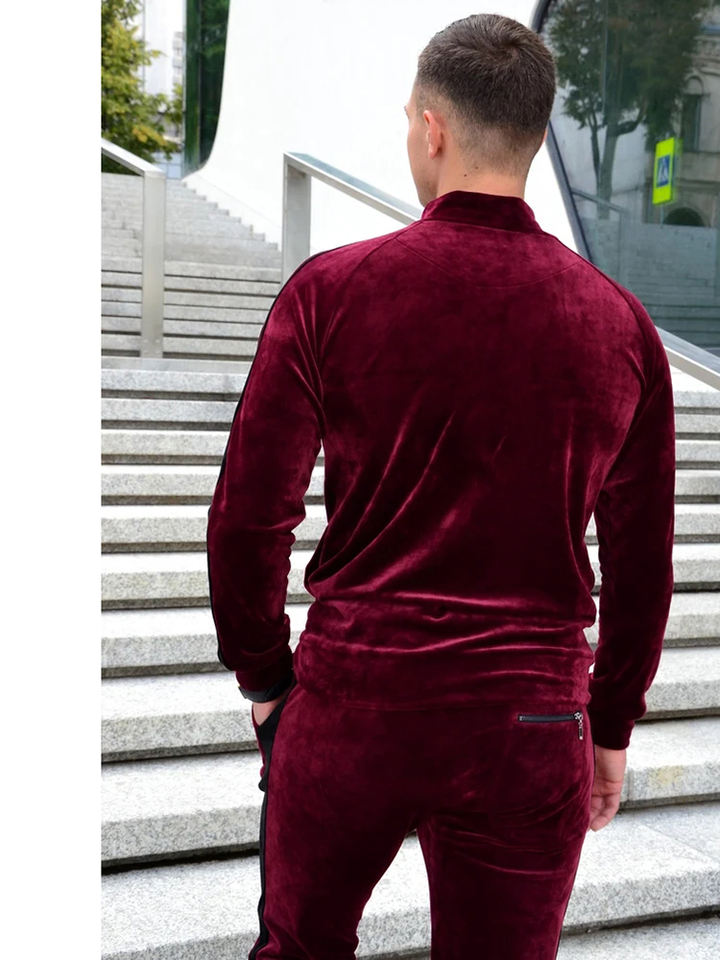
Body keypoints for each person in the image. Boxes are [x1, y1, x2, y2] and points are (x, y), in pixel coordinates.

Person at [206, 12, 675, 960]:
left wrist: (264, 676)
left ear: (431, 128)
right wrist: (610, 723)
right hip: (530, 721)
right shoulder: (620, 326)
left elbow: (249, 519)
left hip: (355, 701)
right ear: (535, 137)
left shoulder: (330, 293)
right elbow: (642, 566)